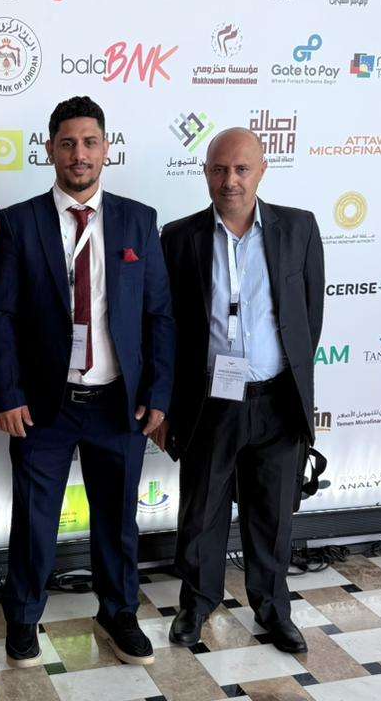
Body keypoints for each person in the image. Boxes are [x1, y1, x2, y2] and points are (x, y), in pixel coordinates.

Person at [0, 96, 175, 667]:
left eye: (90, 142)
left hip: (118, 402)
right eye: (67, 143)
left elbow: (159, 314)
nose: (79, 154)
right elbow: (1, 315)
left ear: (106, 149)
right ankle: (23, 618)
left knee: (117, 521)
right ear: (50, 150)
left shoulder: (138, 219)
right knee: (34, 520)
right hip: (44, 405)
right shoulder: (20, 221)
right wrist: (8, 393)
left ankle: (118, 613)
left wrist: (158, 394)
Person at [156, 127, 324, 655]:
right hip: (209, 402)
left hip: (277, 400)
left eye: (241, 169)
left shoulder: (298, 228)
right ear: (205, 172)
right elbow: (168, 327)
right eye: (219, 169)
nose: (230, 180)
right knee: (201, 511)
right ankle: (196, 605)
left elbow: (309, 316)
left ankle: (273, 609)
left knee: (272, 515)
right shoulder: (178, 237)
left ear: (262, 170)